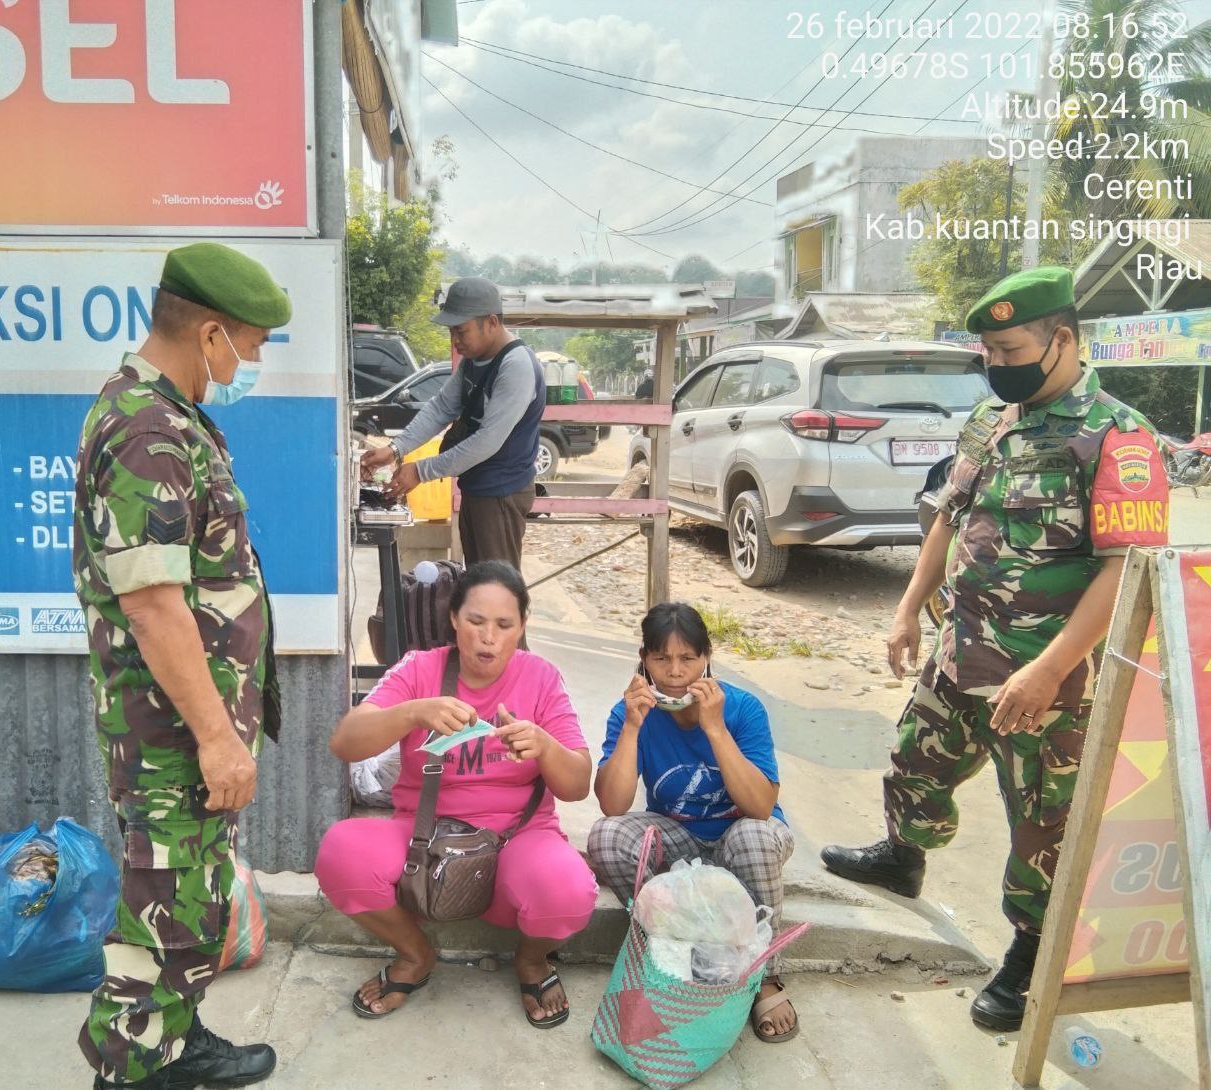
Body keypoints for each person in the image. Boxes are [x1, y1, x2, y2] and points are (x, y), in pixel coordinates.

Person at [820, 266, 1170, 1032]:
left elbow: (1126, 570)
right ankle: (902, 857)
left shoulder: (1118, 436)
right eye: (988, 350)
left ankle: (1032, 950)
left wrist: (1050, 669)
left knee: (1043, 819)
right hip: (961, 649)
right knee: (915, 759)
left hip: (1047, 678)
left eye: (1010, 349)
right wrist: (908, 611)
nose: (996, 363)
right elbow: (949, 516)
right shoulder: (990, 419)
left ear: (1062, 339)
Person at [72, 243, 292, 1089]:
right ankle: (131, 1065)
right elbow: (154, 606)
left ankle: (174, 1036)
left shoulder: (167, 415)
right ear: (209, 334)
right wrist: (215, 737)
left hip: (185, 728)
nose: (252, 363)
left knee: (188, 900)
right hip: (172, 732)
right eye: (252, 344)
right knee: (165, 907)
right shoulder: (147, 432)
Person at [316, 561, 598, 1028]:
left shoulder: (542, 677)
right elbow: (345, 743)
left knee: (568, 891)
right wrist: (412, 713)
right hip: (423, 839)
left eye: (504, 625)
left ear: (522, 626)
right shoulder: (419, 669)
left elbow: (577, 785)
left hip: (518, 839)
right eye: (476, 621)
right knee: (340, 852)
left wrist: (545, 746)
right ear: (453, 618)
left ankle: (531, 961)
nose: (489, 637)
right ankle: (416, 954)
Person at [587, 602, 799, 1043]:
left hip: (740, 836)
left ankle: (764, 976)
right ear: (644, 659)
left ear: (707, 657)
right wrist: (631, 728)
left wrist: (715, 728)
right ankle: (670, 948)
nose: (675, 672)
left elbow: (761, 807)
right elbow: (612, 804)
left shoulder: (743, 709)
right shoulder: (631, 712)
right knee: (607, 836)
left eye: (688, 658)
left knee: (755, 837)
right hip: (680, 840)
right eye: (661, 658)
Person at [362, 277, 545, 570]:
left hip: (501, 493)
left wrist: (421, 470)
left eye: (461, 330)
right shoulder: (475, 359)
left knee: (497, 586)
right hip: (478, 486)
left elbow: (487, 441)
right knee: (479, 580)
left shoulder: (516, 366)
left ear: (491, 322)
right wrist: (395, 449)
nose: (455, 341)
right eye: (451, 331)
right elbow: (441, 407)